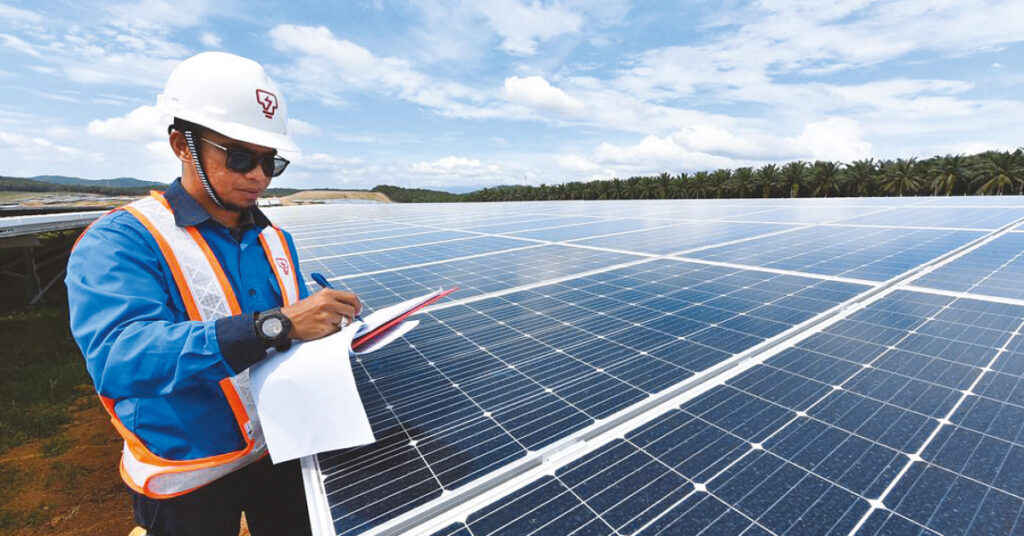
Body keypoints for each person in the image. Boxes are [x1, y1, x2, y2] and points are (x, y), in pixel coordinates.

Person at [66, 51, 362, 535]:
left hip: (280, 447)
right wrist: (275, 325)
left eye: (271, 162)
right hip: (188, 473)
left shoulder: (276, 239)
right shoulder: (123, 239)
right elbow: (121, 357)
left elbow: (292, 324)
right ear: (181, 145)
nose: (258, 176)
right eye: (240, 157)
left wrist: (330, 323)